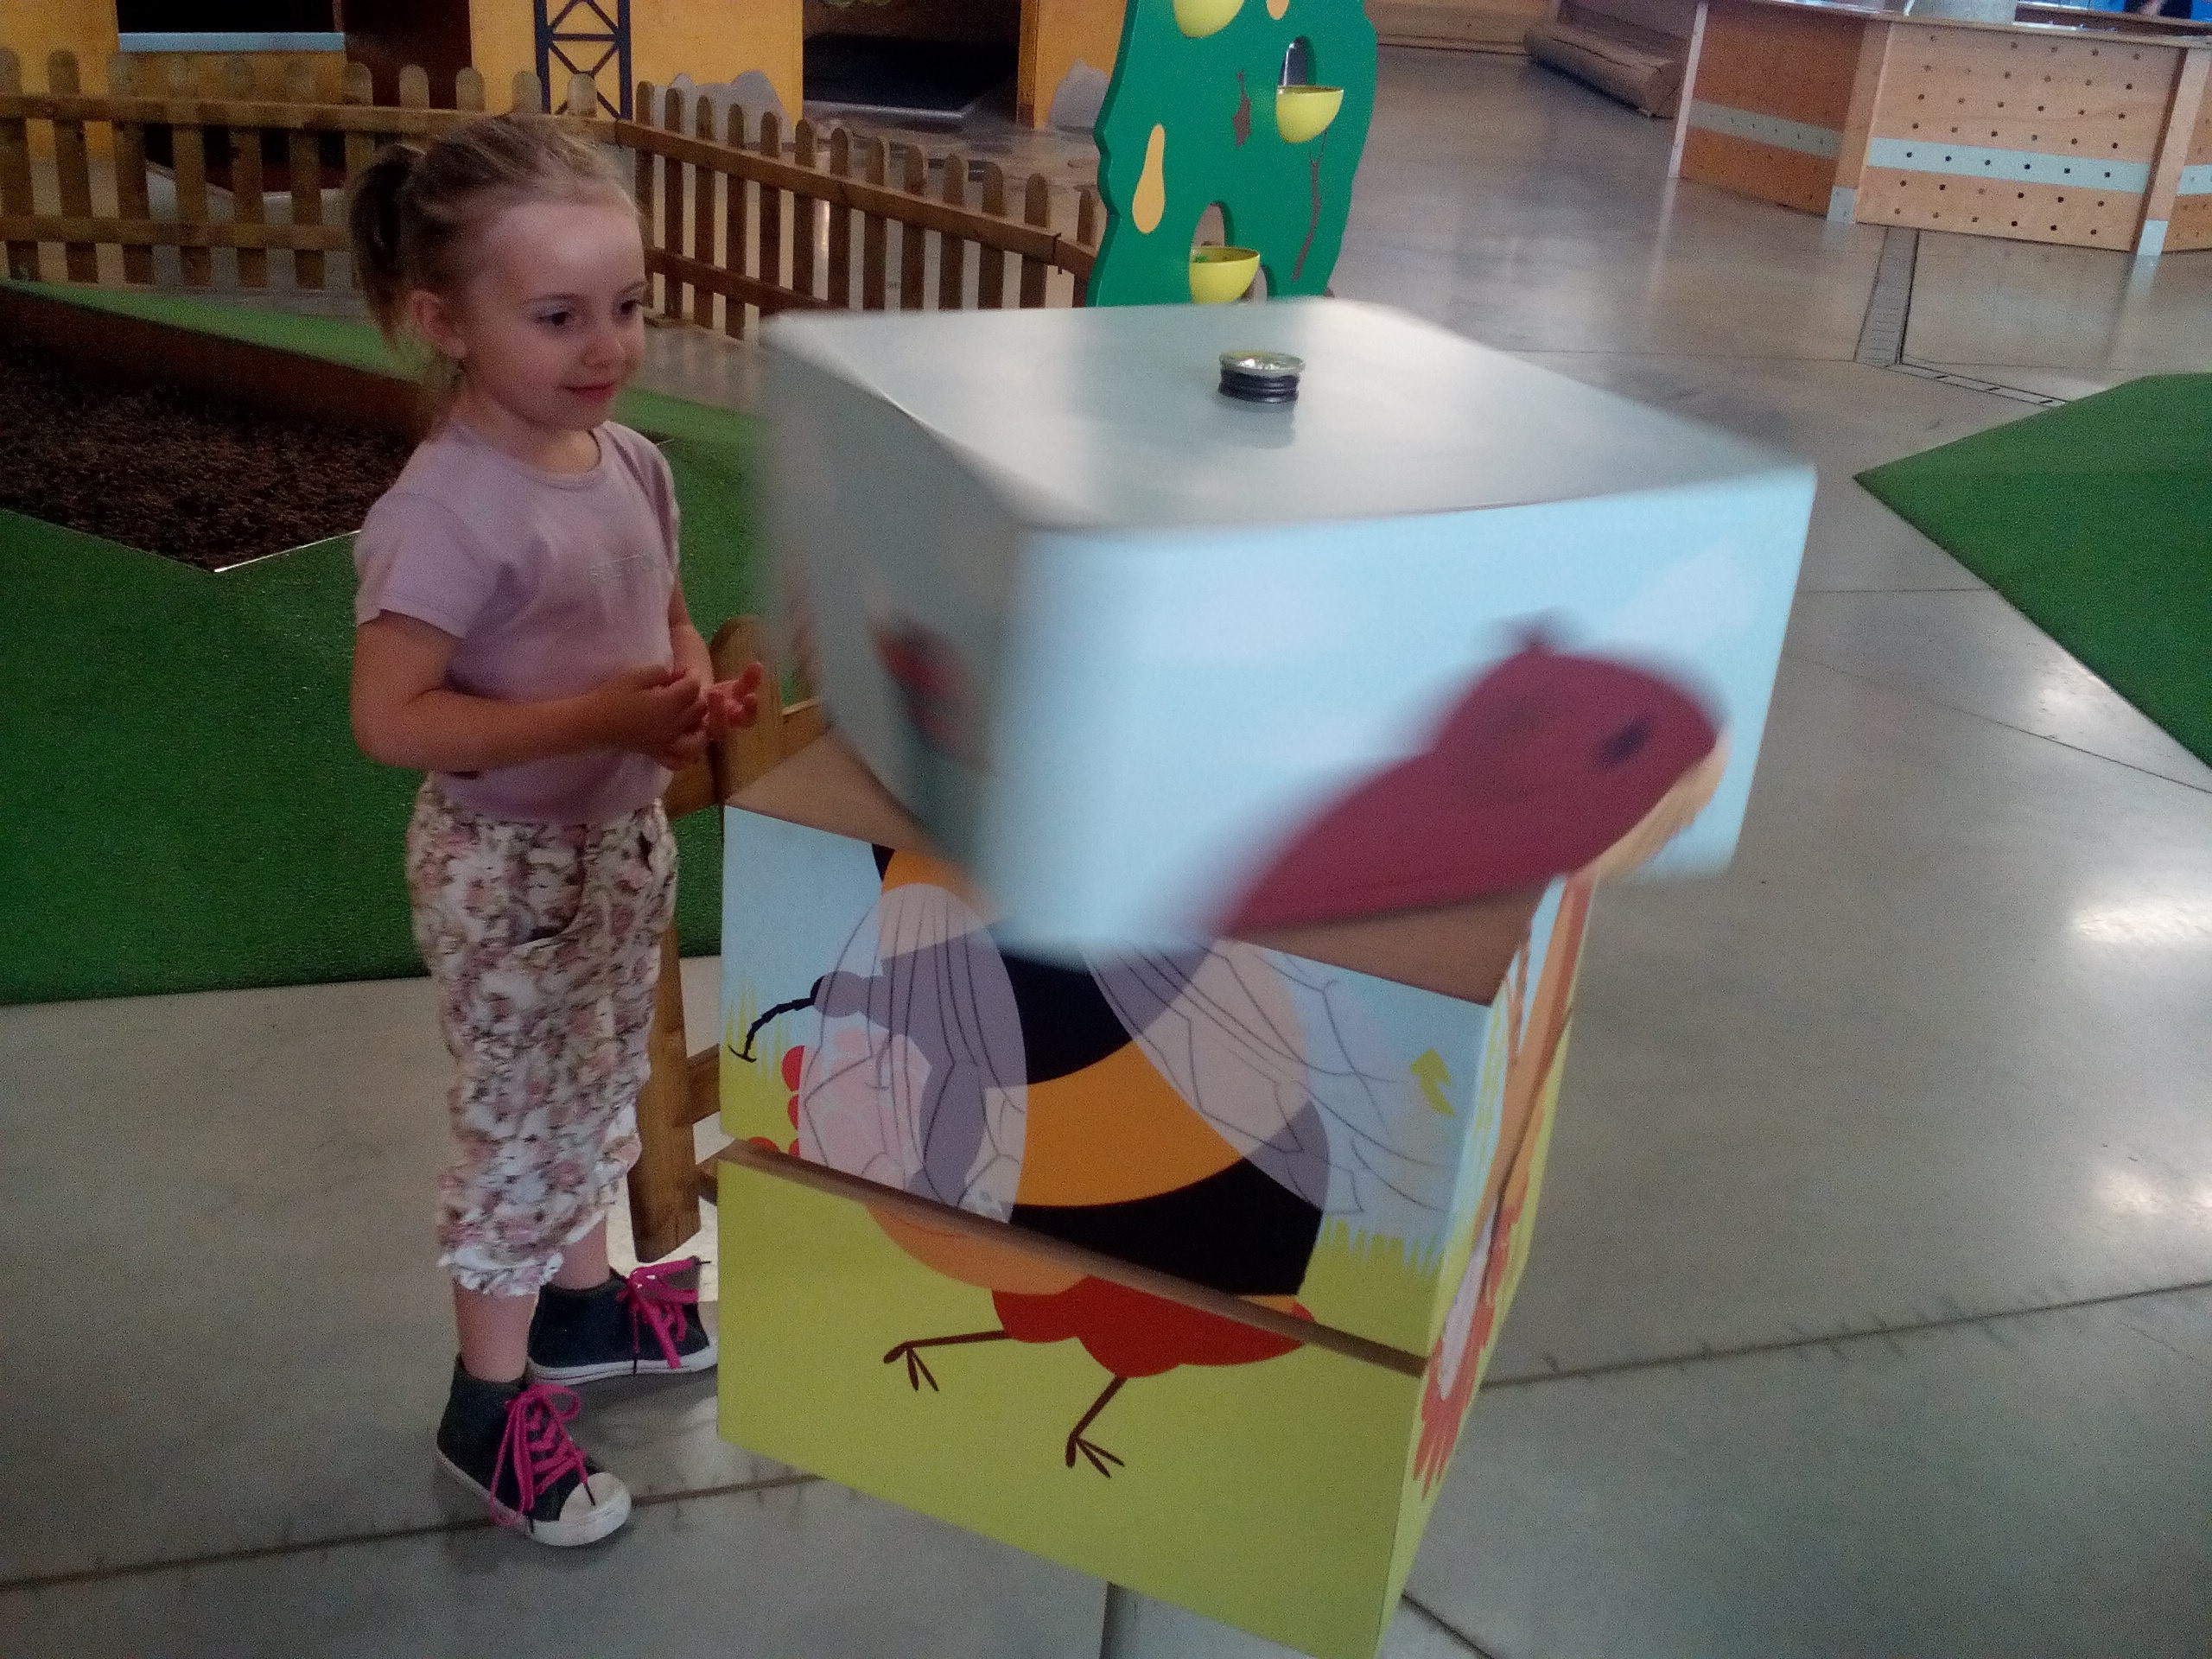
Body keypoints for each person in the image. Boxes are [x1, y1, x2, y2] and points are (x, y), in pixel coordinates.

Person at [345, 114, 763, 1547]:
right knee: (519, 1139)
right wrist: (597, 718)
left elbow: (665, 615)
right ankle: (486, 1404)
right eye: (558, 315)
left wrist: (690, 691)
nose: (607, 345)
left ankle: (583, 1312)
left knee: (592, 1094)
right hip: (508, 871)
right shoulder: (448, 513)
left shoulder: (627, 459)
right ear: (440, 322)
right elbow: (392, 717)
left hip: (616, 843)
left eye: (628, 306)